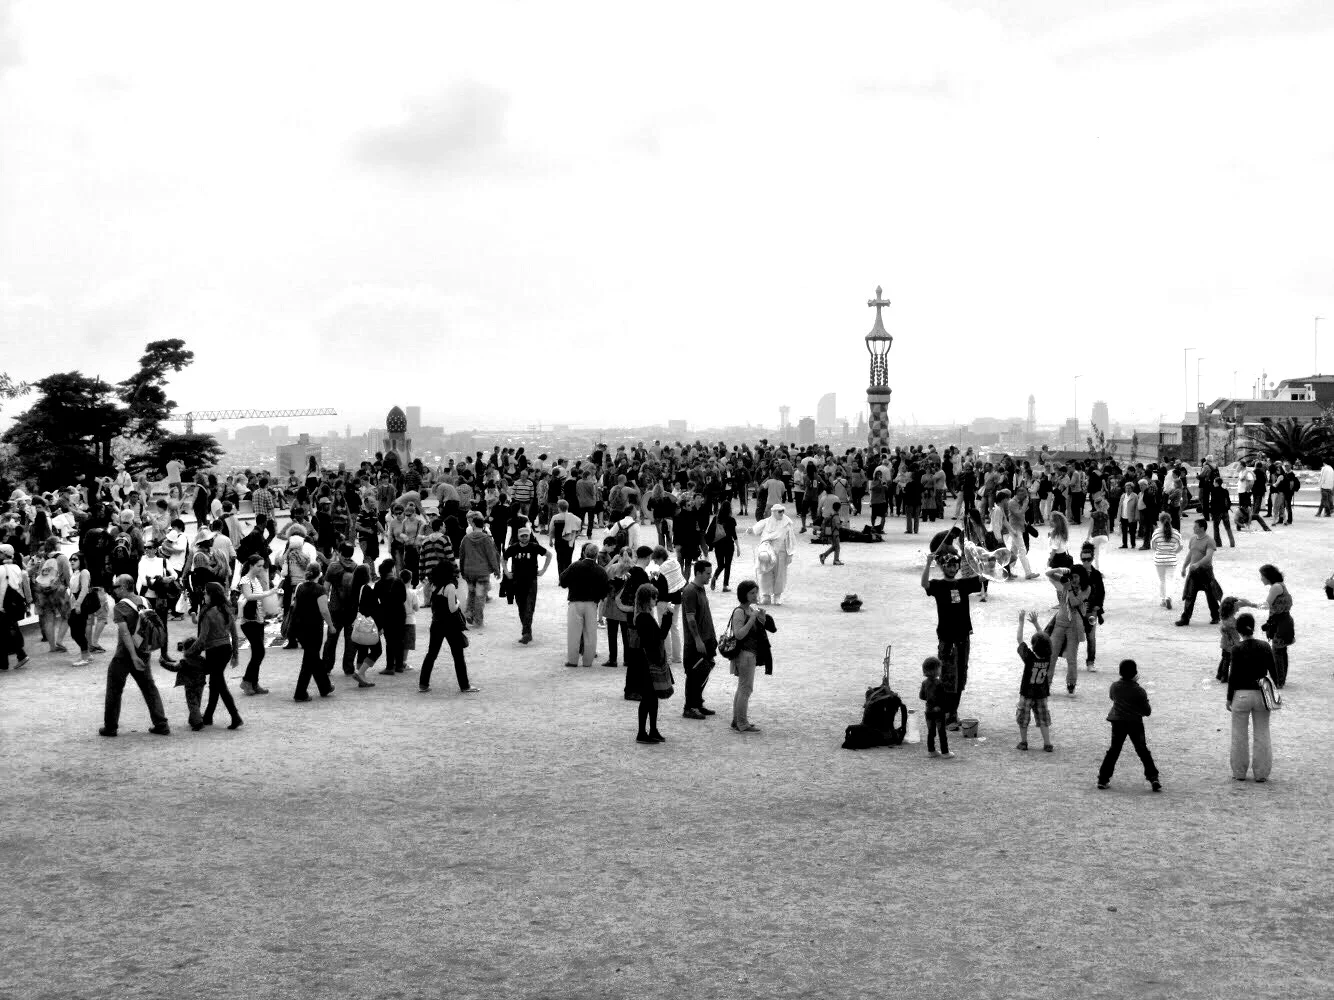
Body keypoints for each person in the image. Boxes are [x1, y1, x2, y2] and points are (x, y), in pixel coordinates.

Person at [920, 538, 982, 727]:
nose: (953, 568)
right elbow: (924, 584)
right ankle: (946, 712)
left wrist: (980, 561)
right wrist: (928, 562)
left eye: (955, 565)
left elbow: (981, 578)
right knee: (948, 675)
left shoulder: (963, 584)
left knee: (961, 675)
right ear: (943, 567)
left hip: (963, 637)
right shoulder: (939, 585)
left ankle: (953, 712)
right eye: (949, 565)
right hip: (947, 639)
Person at [99, 574, 171, 737]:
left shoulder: (120, 607)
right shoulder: (145, 601)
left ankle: (110, 727)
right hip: (144, 650)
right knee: (149, 688)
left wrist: (132, 656)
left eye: (117, 586)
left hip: (125, 654)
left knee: (114, 690)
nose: (114, 590)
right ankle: (161, 723)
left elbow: (125, 633)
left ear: (124, 587)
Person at [183, 582, 243, 731]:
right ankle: (209, 716)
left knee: (219, 685)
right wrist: (235, 654)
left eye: (205, 593)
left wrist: (189, 652)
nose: (204, 596)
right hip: (226, 650)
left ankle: (235, 717)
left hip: (214, 652)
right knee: (216, 683)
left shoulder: (207, 612)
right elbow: (234, 635)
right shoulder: (226, 609)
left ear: (211, 595)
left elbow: (202, 639)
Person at [1096, 659, 1161, 792]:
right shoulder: (1139, 691)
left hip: (1118, 722)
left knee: (1114, 750)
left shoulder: (1114, 686)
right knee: (1142, 750)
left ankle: (1103, 779)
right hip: (1135, 723)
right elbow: (1147, 712)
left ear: (1120, 672)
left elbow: (1112, 698)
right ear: (1135, 673)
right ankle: (1153, 778)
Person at [418, 558, 478, 694]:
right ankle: (465, 685)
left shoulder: (434, 585)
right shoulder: (450, 587)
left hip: (436, 623)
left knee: (431, 654)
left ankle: (423, 683)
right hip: (450, 625)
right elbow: (452, 608)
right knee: (458, 656)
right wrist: (457, 603)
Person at [1227, 613, 1275, 782]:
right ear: (1253, 627)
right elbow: (1274, 673)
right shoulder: (1265, 646)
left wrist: (1229, 698)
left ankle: (1239, 772)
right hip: (1262, 694)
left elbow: (1233, 677)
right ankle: (1261, 773)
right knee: (1262, 733)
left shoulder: (1237, 649)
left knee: (1239, 735)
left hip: (1241, 694)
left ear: (1239, 630)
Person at [726, 579, 776, 734]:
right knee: (745, 689)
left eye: (756, 592)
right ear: (744, 594)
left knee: (743, 688)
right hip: (745, 655)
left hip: (750, 654)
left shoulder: (750, 610)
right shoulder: (740, 611)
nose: (755, 595)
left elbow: (769, 630)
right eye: (752, 593)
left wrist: (761, 619)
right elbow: (739, 634)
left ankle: (737, 720)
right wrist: (753, 619)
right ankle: (742, 722)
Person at [630, 582, 673, 744]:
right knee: (648, 698)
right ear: (646, 599)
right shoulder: (644, 617)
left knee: (652, 698)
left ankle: (653, 730)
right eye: (654, 597)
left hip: (649, 660)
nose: (656, 600)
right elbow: (658, 636)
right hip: (648, 662)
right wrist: (667, 617)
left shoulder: (643, 616)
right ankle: (642, 733)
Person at [558, 541, 609, 668]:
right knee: (591, 634)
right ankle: (587, 661)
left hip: (575, 602)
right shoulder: (600, 570)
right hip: (592, 604)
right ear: (596, 555)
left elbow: (563, 581)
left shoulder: (575, 566)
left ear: (583, 553)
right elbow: (604, 591)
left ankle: (573, 661)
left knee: (574, 634)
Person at [680, 559, 718, 720]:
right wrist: (697, 640)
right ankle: (689, 707)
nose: (710, 576)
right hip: (696, 642)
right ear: (698, 573)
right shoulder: (690, 591)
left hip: (707, 639)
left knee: (704, 672)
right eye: (708, 573)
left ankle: (698, 703)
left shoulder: (701, 589)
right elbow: (691, 619)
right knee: (694, 673)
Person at [293, 565, 337, 701]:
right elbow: (324, 610)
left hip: (300, 628)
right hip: (313, 628)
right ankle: (300, 693)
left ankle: (325, 686)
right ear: (320, 574)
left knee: (313, 658)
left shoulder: (300, 587)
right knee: (309, 660)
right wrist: (331, 625)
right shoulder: (320, 589)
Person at [504, 524, 551, 645]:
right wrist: (506, 572)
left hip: (531, 581)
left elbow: (549, 555)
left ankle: (525, 633)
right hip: (517, 582)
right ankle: (528, 632)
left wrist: (543, 570)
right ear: (519, 537)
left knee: (529, 607)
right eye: (522, 536)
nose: (524, 538)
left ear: (529, 536)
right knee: (521, 607)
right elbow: (503, 558)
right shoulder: (513, 548)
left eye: (526, 535)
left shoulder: (534, 547)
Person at [236, 555, 276, 695]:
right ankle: (247, 681)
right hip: (249, 621)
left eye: (262, 565)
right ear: (251, 565)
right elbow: (249, 596)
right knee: (259, 652)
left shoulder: (256, 580)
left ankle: (253, 683)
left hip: (258, 619)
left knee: (257, 652)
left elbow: (258, 597)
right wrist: (267, 594)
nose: (261, 568)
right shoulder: (245, 579)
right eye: (258, 565)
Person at [1014, 610, 1054, 752]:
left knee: (1023, 719)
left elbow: (1019, 639)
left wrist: (1021, 621)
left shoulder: (1030, 658)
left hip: (1027, 693)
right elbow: (1045, 639)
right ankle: (1047, 743)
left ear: (1033, 646)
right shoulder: (1049, 657)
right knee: (1043, 718)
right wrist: (1036, 624)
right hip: (1041, 693)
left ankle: (1024, 742)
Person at [748, 503, 798, 605]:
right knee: (766, 573)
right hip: (768, 551)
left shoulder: (787, 523)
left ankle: (777, 596)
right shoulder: (767, 522)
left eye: (783, 511)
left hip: (782, 553)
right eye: (779, 511)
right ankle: (766, 596)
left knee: (780, 575)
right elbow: (755, 529)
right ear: (774, 512)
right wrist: (751, 530)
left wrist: (790, 553)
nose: (781, 513)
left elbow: (791, 540)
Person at [458, 511, 501, 628]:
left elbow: (462, 555)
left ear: (473, 525)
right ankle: (478, 619)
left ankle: (468, 612)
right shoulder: (486, 538)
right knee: (480, 596)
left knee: (471, 593)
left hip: (469, 571)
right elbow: (491, 555)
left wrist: (462, 570)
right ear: (483, 526)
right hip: (482, 571)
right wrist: (496, 570)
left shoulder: (466, 538)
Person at [1175, 519, 1220, 627]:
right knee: (1190, 595)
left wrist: (1198, 564)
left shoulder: (1209, 541)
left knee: (1211, 596)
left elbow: (1208, 556)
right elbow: (1190, 554)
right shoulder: (1193, 539)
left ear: (1202, 528)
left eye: (1195, 527)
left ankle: (1216, 616)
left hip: (1206, 572)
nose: (1193, 528)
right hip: (1193, 572)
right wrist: (1184, 567)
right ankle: (1185, 619)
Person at [1256, 564, 1293, 688]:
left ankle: (1279, 681)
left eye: (1262, 576)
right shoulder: (1279, 585)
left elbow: (1266, 605)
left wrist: (1248, 604)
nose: (1261, 578)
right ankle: (1281, 680)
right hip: (1284, 621)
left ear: (1267, 576)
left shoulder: (1276, 587)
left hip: (1280, 623)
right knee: (1282, 651)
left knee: (1277, 652)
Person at [373, 559, 409, 674]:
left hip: (386, 614)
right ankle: (399, 665)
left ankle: (389, 667)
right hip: (399, 613)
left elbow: (375, 600)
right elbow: (403, 598)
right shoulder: (399, 582)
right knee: (399, 639)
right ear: (391, 569)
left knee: (389, 640)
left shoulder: (378, 584)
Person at [918, 656, 953, 759]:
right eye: (939, 668)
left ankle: (931, 751)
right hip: (939, 712)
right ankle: (945, 752)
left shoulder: (924, 683)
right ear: (935, 670)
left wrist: (930, 699)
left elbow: (922, 696)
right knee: (942, 732)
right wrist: (946, 711)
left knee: (931, 732)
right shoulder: (939, 684)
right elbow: (943, 699)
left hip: (928, 712)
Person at [1149, 512, 1183, 611]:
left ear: (1160, 521)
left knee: (1162, 580)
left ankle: (1163, 599)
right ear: (1170, 519)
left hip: (1159, 559)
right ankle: (1169, 597)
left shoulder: (1156, 532)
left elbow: (1153, 546)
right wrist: (1174, 552)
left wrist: (1159, 551)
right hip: (1171, 559)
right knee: (1170, 580)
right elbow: (1181, 546)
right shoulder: (1176, 532)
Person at [707, 501, 739, 592]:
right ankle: (725, 586)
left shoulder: (716, 518)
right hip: (729, 544)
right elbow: (734, 534)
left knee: (720, 565)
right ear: (729, 509)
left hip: (718, 544)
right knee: (728, 565)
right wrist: (738, 547)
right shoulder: (731, 520)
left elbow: (710, 531)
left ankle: (715, 576)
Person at [818, 501, 845, 566]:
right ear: (839, 508)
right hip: (835, 534)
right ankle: (836, 560)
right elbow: (838, 526)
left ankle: (824, 556)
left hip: (831, 533)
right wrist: (842, 525)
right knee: (837, 547)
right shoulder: (836, 516)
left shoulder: (832, 515)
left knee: (834, 547)